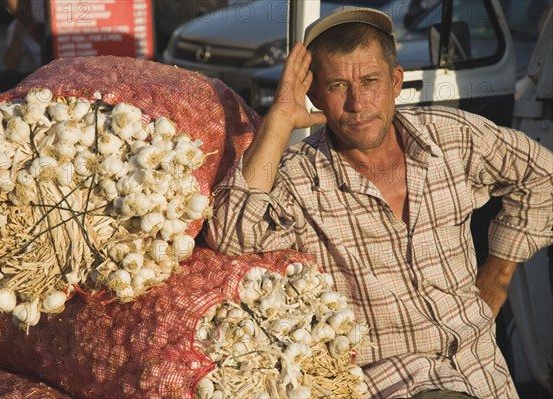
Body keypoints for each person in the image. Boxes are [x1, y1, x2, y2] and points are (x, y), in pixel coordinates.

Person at [204, 6, 553, 399]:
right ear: (315, 95)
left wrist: (498, 276)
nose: (358, 103)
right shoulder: (302, 178)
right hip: (394, 380)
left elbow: (542, 175)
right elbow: (231, 236)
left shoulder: (451, 137)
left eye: (370, 81)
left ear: (396, 82)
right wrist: (280, 117)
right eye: (337, 86)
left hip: (482, 370)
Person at [0, 0, 44, 94]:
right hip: (38, 79)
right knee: (3, 78)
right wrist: (19, 32)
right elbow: (11, 65)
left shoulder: (56, 23)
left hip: (63, 74)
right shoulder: (16, 26)